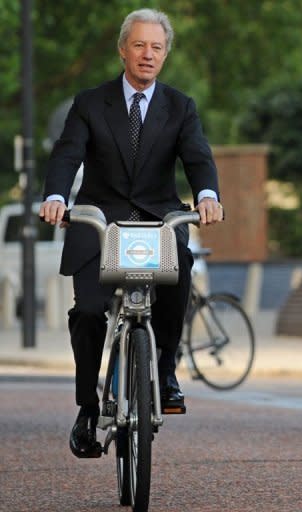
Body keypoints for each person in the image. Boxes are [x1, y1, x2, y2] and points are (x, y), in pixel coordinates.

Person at [40, 8, 224, 458]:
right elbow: (67, 154)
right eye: (139, 45)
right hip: (100, 221)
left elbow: (198, 156)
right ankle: (86, 409)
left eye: (157, 47)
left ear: (165, 54)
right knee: (87, 313)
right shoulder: (90, 102)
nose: (148, 55)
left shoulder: (180, 106)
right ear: (123, 49)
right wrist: (58, 198)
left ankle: (164, 370)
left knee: (181, 269)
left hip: (157, 220)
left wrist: (206, 194)